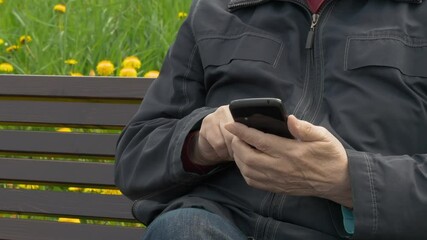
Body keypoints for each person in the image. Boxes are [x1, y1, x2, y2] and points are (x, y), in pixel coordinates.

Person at [115, 0, 427, 239]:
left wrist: (347, 180)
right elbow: (134, 158)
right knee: (182, 229)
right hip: (220, 224)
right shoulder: (217, 10)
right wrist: (199, 142)